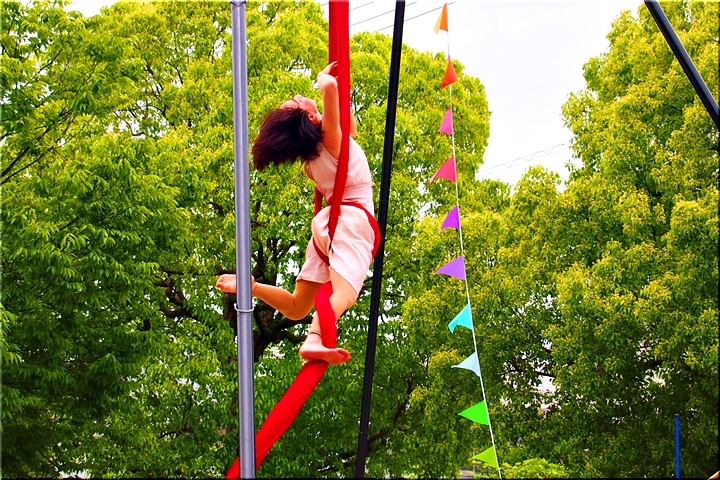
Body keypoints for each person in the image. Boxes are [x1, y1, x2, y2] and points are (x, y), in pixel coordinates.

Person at [216, 62, 375, 366]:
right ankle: (314, 338)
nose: (300, 96)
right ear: (311, 118)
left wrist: (330, 97)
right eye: (296, 102)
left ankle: (252, 287)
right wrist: (323, 80)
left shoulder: (312, 160)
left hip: (328, 226)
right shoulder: (330, 140)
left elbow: (349, 126)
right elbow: (329, 88)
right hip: (350, 221)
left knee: (298, 306)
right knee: (345, 294)